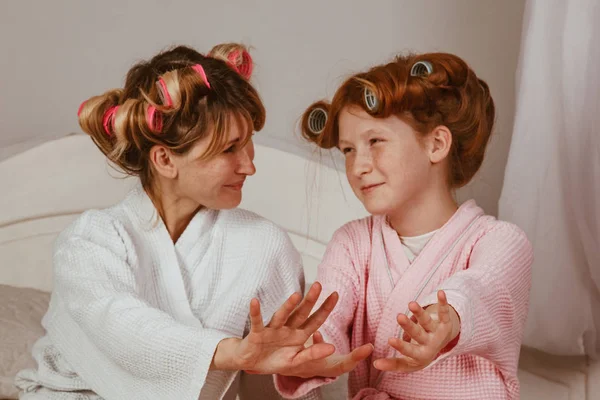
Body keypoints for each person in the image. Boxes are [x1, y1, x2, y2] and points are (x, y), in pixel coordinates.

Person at [15, 43, 337, 400]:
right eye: (229, 149)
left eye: (248, 143)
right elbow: (117, 323)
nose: (249, 165)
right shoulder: (89, 241)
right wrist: (225, 351)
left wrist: (299, 371)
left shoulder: (265, 245)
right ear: (165, 160)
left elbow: (277, 374)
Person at [275, 53, 534, 399]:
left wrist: (444, 320)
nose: (358, 167)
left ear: (436, 144)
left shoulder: (501, 241)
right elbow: (329, 315)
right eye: (348, 150)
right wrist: (308, 348)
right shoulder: (353, 243)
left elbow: (482, 290)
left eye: (375, 142)